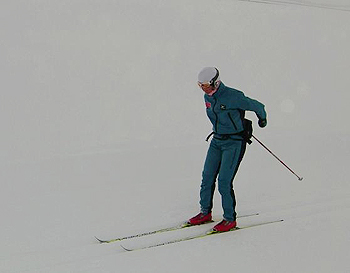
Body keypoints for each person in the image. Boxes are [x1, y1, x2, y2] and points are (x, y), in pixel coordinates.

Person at [188, 67, 267, 232]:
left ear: (215, 83)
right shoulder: (207, 97)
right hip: (217, 140)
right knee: (207, 177)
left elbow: (258, 106)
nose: (203, 89)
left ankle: (229, 219)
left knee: (224, 181)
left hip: (234, 142)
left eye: (206, 86)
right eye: (200, 85)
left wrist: (262, 119)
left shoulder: (233, 96)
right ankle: (205, 212)